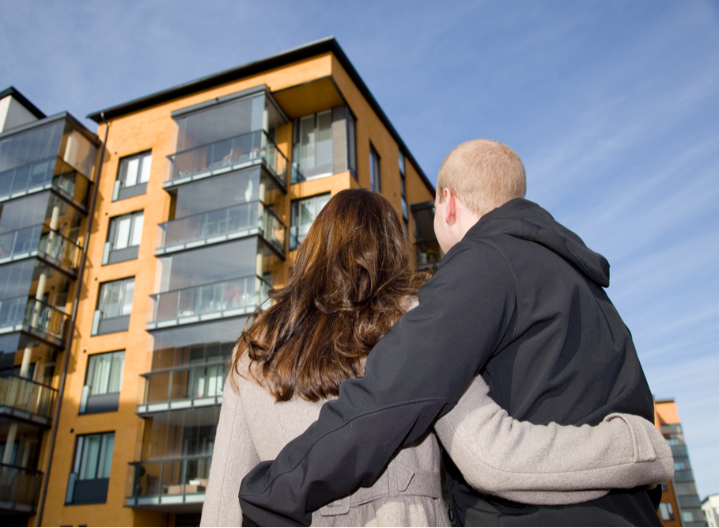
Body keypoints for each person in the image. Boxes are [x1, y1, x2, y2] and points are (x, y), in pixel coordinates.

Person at [238, 141, 665, 527]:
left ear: (449, 203)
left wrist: (277, 490)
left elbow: (388, 398)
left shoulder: (481, 264)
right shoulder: (588, 290)